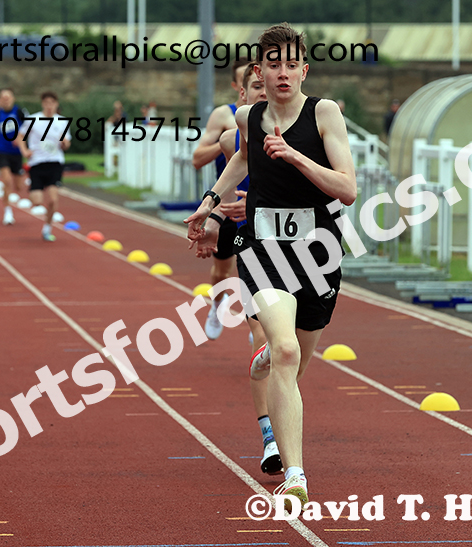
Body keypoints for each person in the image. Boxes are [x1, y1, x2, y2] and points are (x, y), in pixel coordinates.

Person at [185, 23, 356, 506]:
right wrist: (210, 204)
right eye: (272, 64)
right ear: (259, 70)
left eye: (290, 63)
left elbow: (347, 188)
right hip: (262, 249)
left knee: (297, 355)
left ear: (305, 68)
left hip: (318, 252)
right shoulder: (248, 116)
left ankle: (265, 361)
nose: (282, 73)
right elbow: (240, 161)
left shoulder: (325, 114)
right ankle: (296, 475)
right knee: (285, 352)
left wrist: (296, 156)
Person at [193, 62, 281, 476]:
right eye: (256, 87)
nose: (264, 92)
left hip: (301, 248)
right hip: (246, 234)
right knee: (263, 335)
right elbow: (217, 168)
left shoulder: (306, 127)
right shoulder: (231, 134)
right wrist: (211, 217)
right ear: (241, 93)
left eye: (269, 86)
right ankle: (270, 438)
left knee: (292, 352)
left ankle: (281, 417)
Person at [191, 56, 253, 340]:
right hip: (227, 202)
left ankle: (262, 328)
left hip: (259, 205)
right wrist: (232, 141)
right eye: (250, 83)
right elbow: (197, 158)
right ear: (239, 87)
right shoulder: (223, 116)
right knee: (221, 271)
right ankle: (216, 305)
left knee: (253, 272)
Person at [17, 91, 71, 242]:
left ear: (56, 104)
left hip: (55, 163)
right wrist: (24, 151)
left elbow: (67, 142)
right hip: (37, 163)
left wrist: (64, 143)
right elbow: (20, 136)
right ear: (42, 104)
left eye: (52, 103)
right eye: (46, 103)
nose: (49, 106)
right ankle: (32, 188)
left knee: (53, 200)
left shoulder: (62, 122)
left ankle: (47, 228)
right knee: (36, 201)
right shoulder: (33, 120)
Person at [0, 88, 30, 226]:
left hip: (17, 153)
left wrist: (20, 139)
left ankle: (9, 192)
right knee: (6, 181)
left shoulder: (20, 112)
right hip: (2, 151)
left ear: (13, 98)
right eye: (3, 97)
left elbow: (29, 128)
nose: (6, 100)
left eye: (8, 97)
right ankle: (8, 212)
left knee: (18, 186)